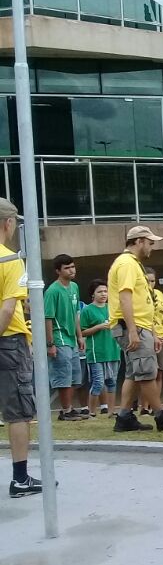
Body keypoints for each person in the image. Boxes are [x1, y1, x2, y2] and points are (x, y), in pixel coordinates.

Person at [107, 226, 163, 433]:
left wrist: (150, 331)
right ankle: (162, 416)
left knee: (134, 373)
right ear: (139, 241)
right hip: (133, 327)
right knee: (146, 372)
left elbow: (142, 302)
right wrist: (133, 330)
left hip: (138, 326)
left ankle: (124, 417)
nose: (152, 247)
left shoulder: (132, 264)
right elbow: (125, 298)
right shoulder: (127, 264)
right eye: (150, 243)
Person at [0, 200, 38, 497]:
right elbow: (8, 308)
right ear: (9, 223)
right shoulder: (9, 259)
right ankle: (20, 478)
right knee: (18, 413)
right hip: (9, 341)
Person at [44, 254, 85, 422]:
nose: (71, 270)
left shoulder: (74, 287)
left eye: (72, 266)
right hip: (59, 337)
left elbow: (76, 314)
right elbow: (48, 318)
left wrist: (79, 336)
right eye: (67, 268)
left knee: (75, 376)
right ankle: (66, 410)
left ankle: (69, 408)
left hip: (72, 338)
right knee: (63, 376)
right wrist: (50, 343)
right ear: (58, 271)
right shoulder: (52, 291)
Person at [81, 280, 119, 418]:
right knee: (98, 382)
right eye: (100, 292)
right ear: (93, 294)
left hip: (113, 350)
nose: (103, 294)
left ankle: (111, 411)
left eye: (105, 291)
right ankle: (91, 412)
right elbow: (82, 332)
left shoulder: (112, 308)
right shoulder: (87, 310)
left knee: (112, 382)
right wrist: (98, 327)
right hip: (96, 352)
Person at [144, 267, 163, 416]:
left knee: (160, 372)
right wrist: (154, 335)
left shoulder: (159, 294)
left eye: (153, 281)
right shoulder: (141, 295)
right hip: (148, 336)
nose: (150, 284)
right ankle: (144, 406)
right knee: (148, 373)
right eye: (147, 281)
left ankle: (157, 406)